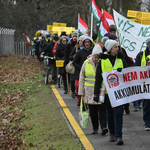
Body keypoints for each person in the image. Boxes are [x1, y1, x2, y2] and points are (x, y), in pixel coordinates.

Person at [93, 38, 128, 145]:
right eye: (115, 47)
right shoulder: (102, 60)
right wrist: (96, 93)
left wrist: (123, 70)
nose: (117, 49)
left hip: (119, 91)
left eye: (117, 46)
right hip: (108, 92)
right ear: (109, 49)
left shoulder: (121, 58)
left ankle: (119, 136)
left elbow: (129, 71)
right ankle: (112, 133)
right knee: (110, 113)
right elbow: (98, 77)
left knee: (118, 114)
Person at [78, 43, 108, 135]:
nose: (97, 59)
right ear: (92, 56)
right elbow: (81, 78)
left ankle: (103, 127)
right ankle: (95, 127)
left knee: (102, 109)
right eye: (95, 57)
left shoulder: (104, 62)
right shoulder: (86, 63)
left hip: (101, 90)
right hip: (89, 91)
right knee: (93, 111)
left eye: (98, 57)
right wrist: (81, 92)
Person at [135, 38, 150, 131]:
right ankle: (147, 123)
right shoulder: (141, 55)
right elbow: (136, 68)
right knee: (147, 104)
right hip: (145, 83)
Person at [73, 36, 93, 106]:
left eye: (88, 42)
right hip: (79, 73)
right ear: (83, 43)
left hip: (90, 74)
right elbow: (74, 62)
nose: (87, 44)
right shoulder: (79, 52)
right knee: (78, 87)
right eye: (86, 42)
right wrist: (80, 67)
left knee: (87, 89)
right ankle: (79, 99)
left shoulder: (93, 52)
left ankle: (87, 101)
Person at [69, 35, 86, 103]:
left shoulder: (89, 50)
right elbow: (70, 56)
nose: (81, 42)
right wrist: (75, 56)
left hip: (86, 71)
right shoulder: (76, 49)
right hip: (78, 70)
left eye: (82, 41)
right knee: (77, 86)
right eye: (80, 41)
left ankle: (83, 100)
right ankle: (78, 99)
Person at [64, 30, 78, 97]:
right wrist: (66, 64)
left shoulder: (79, 45)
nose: (75, 37)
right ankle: (73, 91)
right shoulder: (69, 45)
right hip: (71, 63)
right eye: (74, 36)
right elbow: (66, 55)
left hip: (78, 64)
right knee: (72, 80)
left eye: (76, 36)